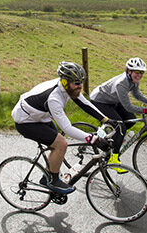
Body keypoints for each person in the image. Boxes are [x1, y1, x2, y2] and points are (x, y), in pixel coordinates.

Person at [12, 61, 113, 195]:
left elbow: (85, 103)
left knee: (56, 145)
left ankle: (46, 177)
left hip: (40, 116)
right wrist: (93, 139)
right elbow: (67, 128)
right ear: (65, 82)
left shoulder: (68, 87)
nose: (80, 86)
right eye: (77, 83)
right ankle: (53, 181)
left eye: (82, 81)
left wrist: (106, 119)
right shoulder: (54, 98)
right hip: (26, 122)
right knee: (61, 144)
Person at [90, 57, 147, 169]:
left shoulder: (133, 80)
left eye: (141, 72)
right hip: (99, 101)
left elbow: (137, 95)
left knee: (130, 119)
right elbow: (128, 107)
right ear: (129, 71)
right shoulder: (122, 84)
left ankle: (113, 140)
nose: (139, 75)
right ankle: (113, 159)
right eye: (137, 72)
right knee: (121, 127)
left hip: (112, 100)